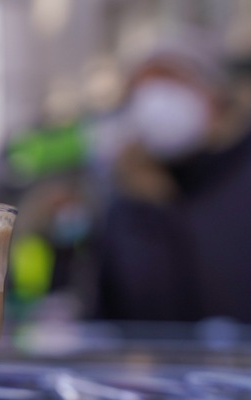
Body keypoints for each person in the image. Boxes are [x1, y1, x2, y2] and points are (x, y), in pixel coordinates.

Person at [92, 32, 251, 322]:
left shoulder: (241, 176)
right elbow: (117, 317)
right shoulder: (128, 200)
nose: (154, 101)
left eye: (168, 80)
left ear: (212, 93)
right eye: (140, 89)